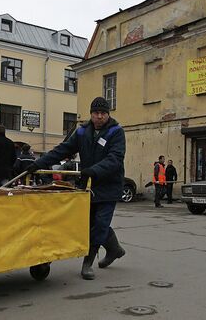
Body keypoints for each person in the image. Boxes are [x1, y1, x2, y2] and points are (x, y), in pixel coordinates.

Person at [26, 96, 126, 280]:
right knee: (89, 223)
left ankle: (87, 263)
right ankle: (114, 249)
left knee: (101, 223)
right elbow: (62, 150)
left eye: (103, 113)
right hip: (88, 184)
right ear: (91, 114)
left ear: (108, 114)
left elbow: (115, 158)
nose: (100, 116)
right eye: (96, 113)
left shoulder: (116, 132)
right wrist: (37, 164)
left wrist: (94, 170)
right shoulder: (82, 132)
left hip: (109, 185)